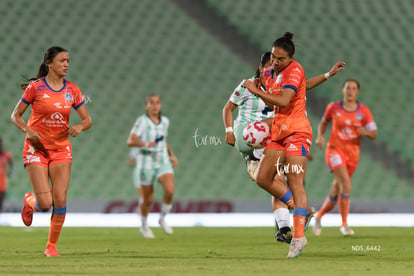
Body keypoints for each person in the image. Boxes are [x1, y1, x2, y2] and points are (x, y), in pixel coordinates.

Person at [223, 52, 345, 245]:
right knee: (273, 130)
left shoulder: (280, 84)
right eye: (268, 68)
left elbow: (303, 87)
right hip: (250, 136)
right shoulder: (248, 84)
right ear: (261, 68)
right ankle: (297, 213)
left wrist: (328, 75)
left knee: (275, 180)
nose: (271, 71)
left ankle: (285, 227)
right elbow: (227, 108)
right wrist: (229, 130)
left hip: (271, 139)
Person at [10, 46, 92, 257]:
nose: (66, 64)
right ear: (50, 64)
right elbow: (15, 116)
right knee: (46, 204)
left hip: (61, 149)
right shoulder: (35, 88)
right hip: (36, 149)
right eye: (62, 60)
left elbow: (87, 120)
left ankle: (51, 247)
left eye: (68, 61)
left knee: (61, 200)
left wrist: (79, 127)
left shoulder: (72, 90)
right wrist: (28, 130)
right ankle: (30, 201)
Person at [243, 32, 313, 258]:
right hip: (279, 133)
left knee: (294, 179)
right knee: (263, 178)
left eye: (280, 59)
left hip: (297, 133)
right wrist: (259, 84)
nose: (275, 61)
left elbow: (283, 100)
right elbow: (268, 94)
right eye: (273, 56)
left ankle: (298, 237)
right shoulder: (269, 71)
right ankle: (300, 208)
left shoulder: (295, 71)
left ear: (290, 59)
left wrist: (257, 90)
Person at [313, 79, 377, 236]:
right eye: (348, 88)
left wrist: (366, 133)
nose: (350, 91)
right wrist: (320, 136)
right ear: (343, 90)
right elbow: (323, 123)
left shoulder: (364, 111)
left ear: (357, 92)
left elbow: (374, 134)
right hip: (335, 150)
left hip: (353, 154)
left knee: (336, 190)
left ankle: (318, 216)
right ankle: (344, 225)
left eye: (354, 88)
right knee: (346, 185)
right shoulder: (333, 108)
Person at [127, 94, 178, 239]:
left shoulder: (165, 122)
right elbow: (131, 141)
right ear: (146, 106)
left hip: (163, 161)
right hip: (146, 163)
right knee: (148, 199)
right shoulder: (142, 122)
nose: (155, 105)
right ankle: (143, 224)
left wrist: (171, 155)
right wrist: (145, 144)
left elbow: (164, 140)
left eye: (157, 103)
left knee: (170, 190)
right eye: (151, 103)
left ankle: (162, 218)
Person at [0, 137, 14, 213]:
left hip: (2, 182)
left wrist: (10, 172)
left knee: (1, 202)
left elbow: (12, 164)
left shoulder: (6, 155)